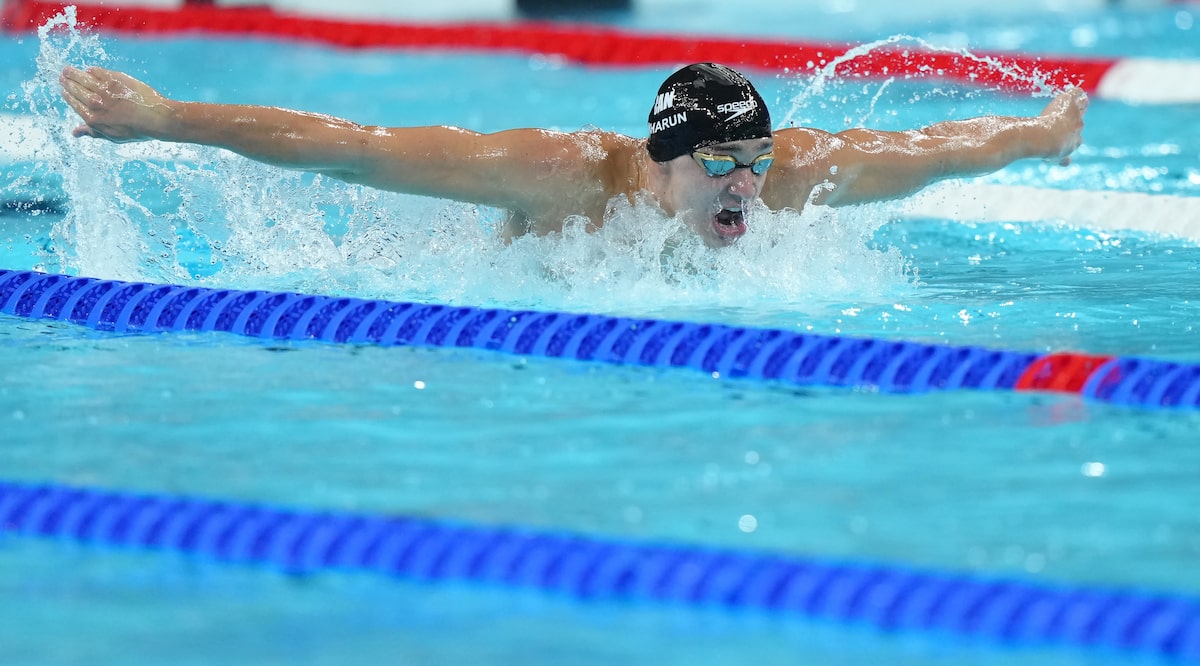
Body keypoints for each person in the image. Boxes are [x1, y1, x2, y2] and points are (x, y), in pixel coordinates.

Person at [58, 61, 1087, 248]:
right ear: (660, 158)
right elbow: (354, 149)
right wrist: (168, 117)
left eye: (757, 160)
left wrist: (1038, 132)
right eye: (722, 164)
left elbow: (938, 148)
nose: (746, 185)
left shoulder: (793, 179)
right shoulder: (562, 176)